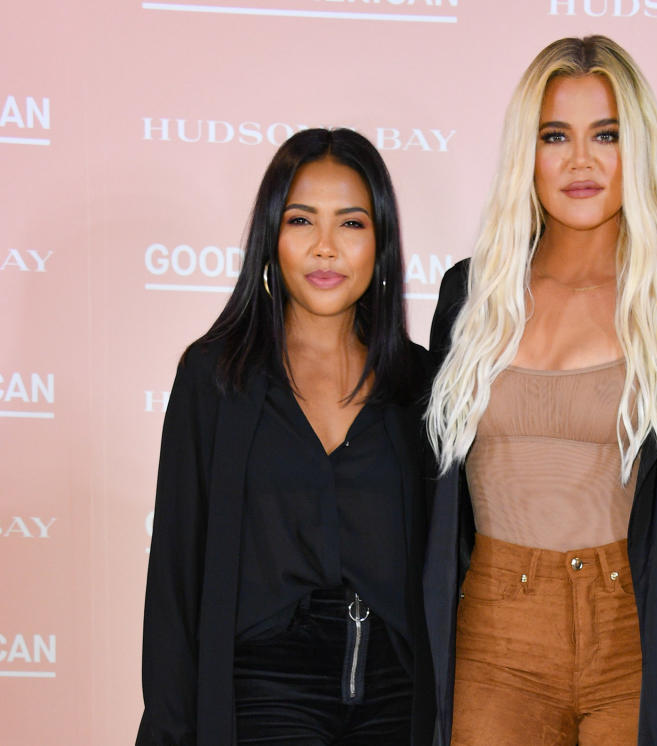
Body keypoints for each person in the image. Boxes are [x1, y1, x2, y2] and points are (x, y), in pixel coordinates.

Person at [424, 36, 657, 745]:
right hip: (494, 640)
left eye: (607, 135)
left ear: (638, 149)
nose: (581, 161)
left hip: (637, 642)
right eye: (556, 135)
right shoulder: (469, 298)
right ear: (527, 152)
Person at [136, 128, 435, 745]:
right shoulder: (216, 378)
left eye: (351, 224)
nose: (325, 248)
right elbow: (175, 574)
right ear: (271, 238)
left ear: (381, 245)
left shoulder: (423, 385)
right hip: (263, 690)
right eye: (302, 221)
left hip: (395, 693)